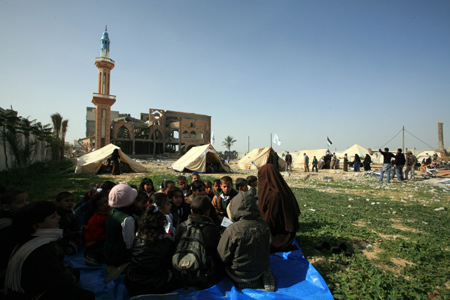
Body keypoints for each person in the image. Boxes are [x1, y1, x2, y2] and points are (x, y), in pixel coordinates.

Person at [5, 201, 95, 300]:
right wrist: (68, 274)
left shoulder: (29, 239)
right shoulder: (41, 250)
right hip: (35, 294)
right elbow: (57, 281)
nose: (59, 217)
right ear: (37, 226)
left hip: (38, 284)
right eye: (53, 217)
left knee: (74, 273)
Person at [217, 190, 274, 291]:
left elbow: (222, 256)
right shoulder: (264, 225)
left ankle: (243, 283)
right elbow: (269, 246)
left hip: (237, 274)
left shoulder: (232, 229)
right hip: (259, 270)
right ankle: (264, 274)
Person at [125, 204, 180, 296]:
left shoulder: (137, 239)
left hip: (134, 283)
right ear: (162, 223)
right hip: (157, 285)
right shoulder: (165, 241)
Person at [174, 196, 222, 288]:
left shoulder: (182, 226)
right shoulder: (211, 228)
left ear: (191, 211)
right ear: (208, 212)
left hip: (181, 273)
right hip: (204, 276)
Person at [258, 164, 300, 253]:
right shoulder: (281, 188)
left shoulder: (274, 195)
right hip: (284, 232)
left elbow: (271, 220)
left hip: (279, 238)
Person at [103, 183, 138, 268]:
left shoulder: (112, 212)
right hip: (120, 256)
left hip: (108, 251)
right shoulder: (127, 219)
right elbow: (129, 244)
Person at [0, 190, 29, 287]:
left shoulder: (18, 220)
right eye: (20, 202)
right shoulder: (8, 226)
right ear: (6, 207)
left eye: (27, 200)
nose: (26, 204)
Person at [84, 191, 110, 266]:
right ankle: (91, 256)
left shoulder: (108, 213)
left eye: (106, 201)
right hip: (95, 245)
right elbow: (98, 238)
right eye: (101, 205)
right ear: (96, 208)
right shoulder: (96, 219)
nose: (106, 205)